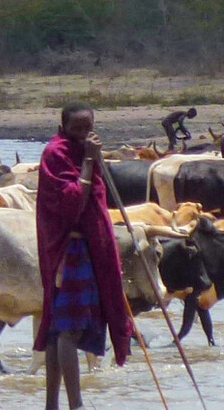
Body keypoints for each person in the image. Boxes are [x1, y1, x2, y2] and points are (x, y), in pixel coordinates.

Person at [37, 103, 134, 410]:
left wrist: (94, 159)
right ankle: (75, 405)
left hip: (89, 248)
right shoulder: (56, 154)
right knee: (70, 328)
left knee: (58, 330)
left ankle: (52, 406)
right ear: (63, 126)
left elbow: (97, 200)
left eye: (87, 127)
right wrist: (90, 163)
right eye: (76, 127)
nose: (82, 133)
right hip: (70, 250)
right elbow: (71, 204)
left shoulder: (85, 151)